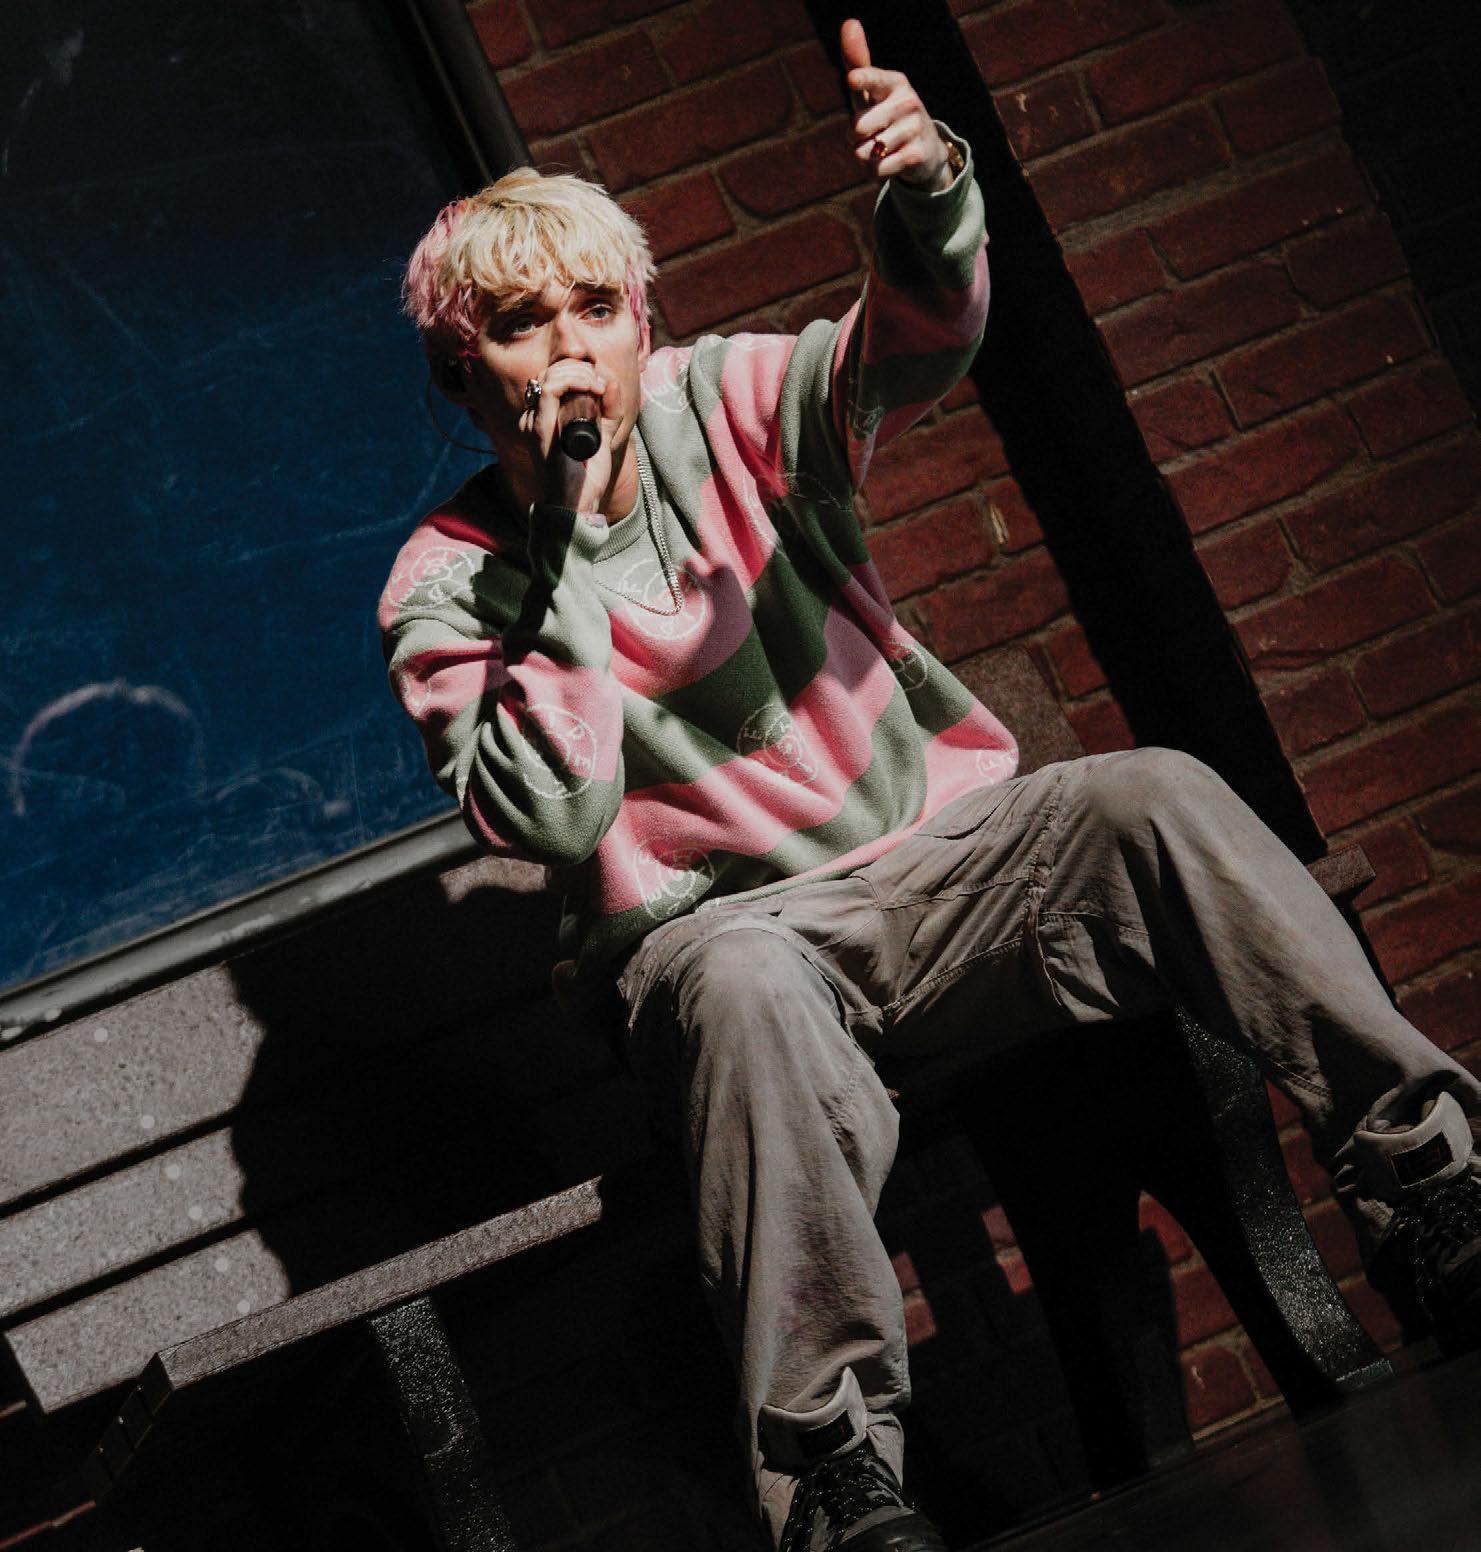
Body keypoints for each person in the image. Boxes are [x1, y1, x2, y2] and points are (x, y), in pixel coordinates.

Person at [380, 19, 1481, 1551]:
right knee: (743, 981)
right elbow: (554, 816)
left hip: (944, 879)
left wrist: (927, 194)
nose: (570, 350)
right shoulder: (446, 585)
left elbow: (910, 342)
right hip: (733, 952)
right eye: (519, 325)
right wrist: (563, 541)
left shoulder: (727, 404)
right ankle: (836, 1482)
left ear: (641, 321)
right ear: (464, 373)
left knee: (1147, 794)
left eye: (595, 308)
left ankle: (1432, 1201)